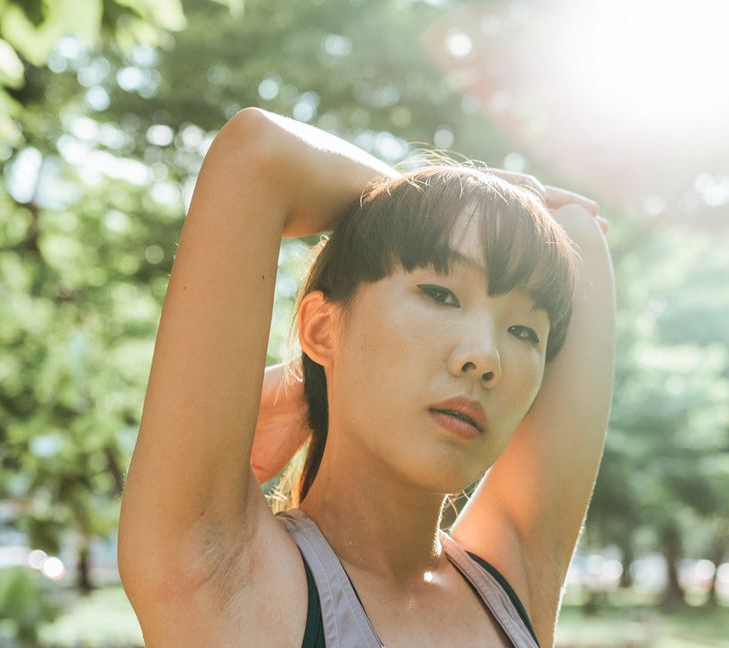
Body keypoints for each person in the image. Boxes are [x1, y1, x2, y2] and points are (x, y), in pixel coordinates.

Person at [118, 107, 616, 647]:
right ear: (322, 329)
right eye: (440, 294)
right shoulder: (220, 576)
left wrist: (309, 388)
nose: (485, 356)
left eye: (524, 331)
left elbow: (580, 239)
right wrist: (435, 198)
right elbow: (260, 154)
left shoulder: (510, 587)